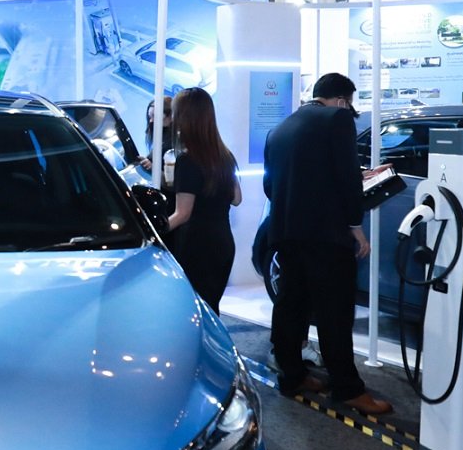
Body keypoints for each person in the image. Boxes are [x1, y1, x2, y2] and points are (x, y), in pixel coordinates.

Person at [263, 72, 392, 415]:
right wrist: (355, 227)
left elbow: (271, 185)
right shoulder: (337, 119)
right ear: (341, 100)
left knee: (291, 305)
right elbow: (346, 179)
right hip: (326, 236)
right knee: (335, 312)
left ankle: (292, 375)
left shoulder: (281, 128)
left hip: (287, 232)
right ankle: (347, 388)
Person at [165, 87, 240, 314]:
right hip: (223, 241)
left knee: (194, 312)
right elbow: (237, 199)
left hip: (197, 246)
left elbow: (182, 213)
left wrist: (153, 231)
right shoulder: (225, 156)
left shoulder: (187, 161)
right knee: (211, 309)